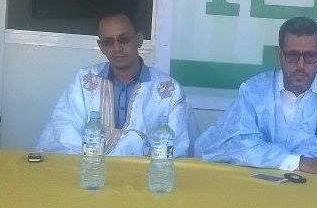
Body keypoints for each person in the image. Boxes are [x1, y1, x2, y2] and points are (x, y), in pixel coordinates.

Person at [195, 17, 317, 175]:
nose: (300, 65)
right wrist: (298, 162)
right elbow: (232, 144)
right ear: (279, 54)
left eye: (310, 56)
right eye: (292, 55)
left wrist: (265, 154)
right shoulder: (254, 91)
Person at [36, 12, 197, 156]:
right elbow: (64, 128)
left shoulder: (168, 89)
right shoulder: (85, 81)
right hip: (90, 170)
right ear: (101, 47)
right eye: (108, 42)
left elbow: (178, 145)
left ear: (139, 40)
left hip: (144, 174)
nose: (117, 48)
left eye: (124, 39)